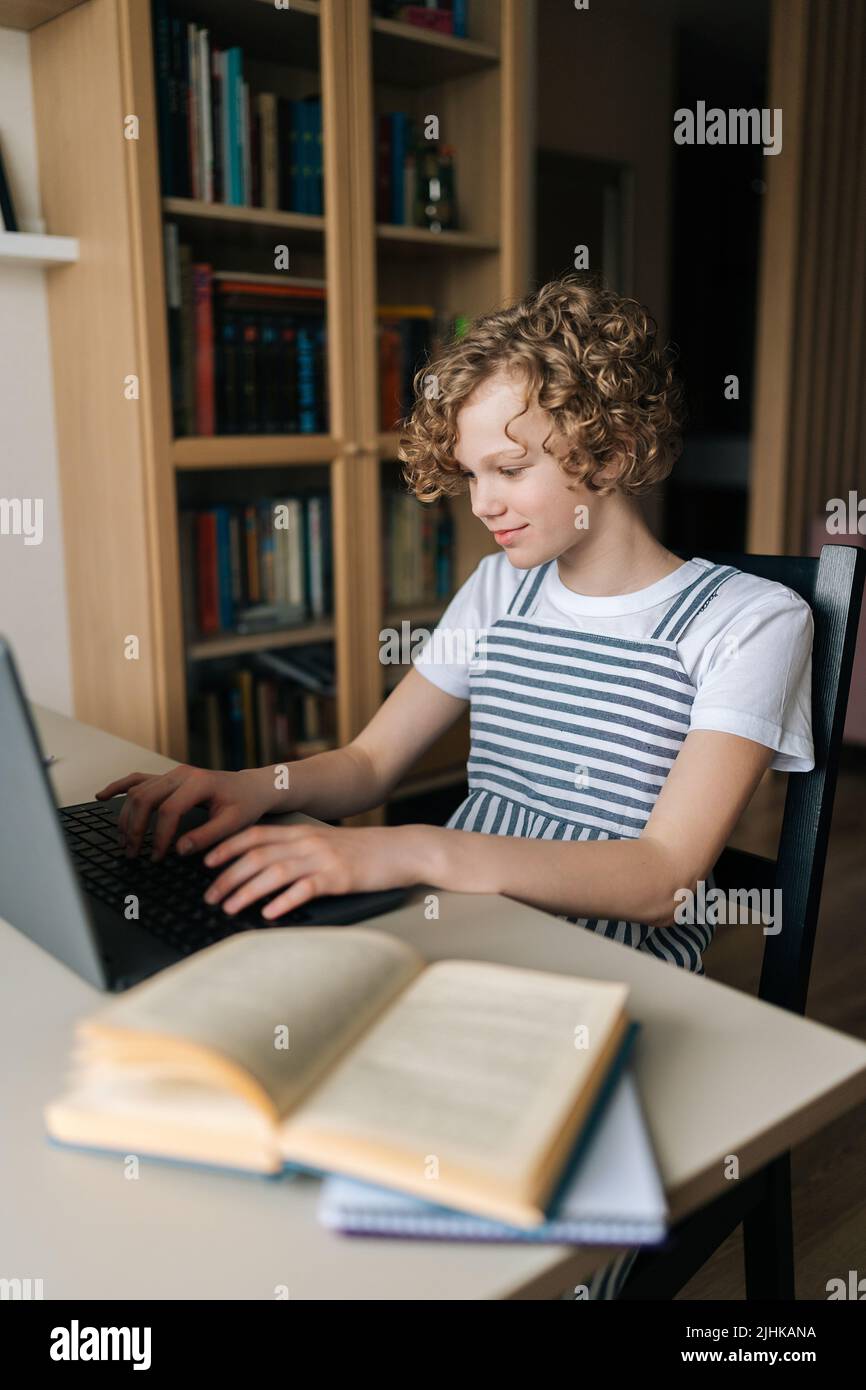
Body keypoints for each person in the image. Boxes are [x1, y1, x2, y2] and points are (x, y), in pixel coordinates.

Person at [96, 275, 815, 1299]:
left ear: (606, 453)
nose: (479, 504)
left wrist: (404, 849)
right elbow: (370, 765)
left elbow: (661, 877)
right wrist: (253, 783)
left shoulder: (743, 620)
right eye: (470, 472)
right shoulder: (498, 587)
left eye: (508, 469)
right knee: (254, 1131)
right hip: (453, 934)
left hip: (602, 980)